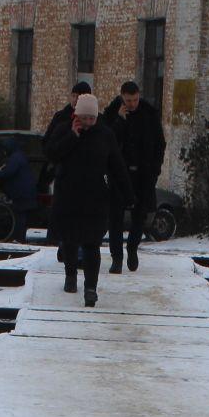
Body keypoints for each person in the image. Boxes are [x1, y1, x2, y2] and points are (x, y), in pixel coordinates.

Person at [47, 93, 132, 306]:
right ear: (77, 115)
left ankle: (91, 288)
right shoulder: (64, 129)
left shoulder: (105, 135)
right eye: (84, 118)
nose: (88, 122)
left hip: (95, 198)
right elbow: (51, 154)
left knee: (92, 244)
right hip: (68, 197)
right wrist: (72, 136)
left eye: (91, 118)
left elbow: (117, 165)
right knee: (70, 241)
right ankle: (70, 276)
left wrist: (128, 194)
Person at [106, 80, 166, 273]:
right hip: (119, 173)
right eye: (128, 100)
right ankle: (116, 257)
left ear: (139, 96)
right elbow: (107, 141)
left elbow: (160, 144)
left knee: (139, 216)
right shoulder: (113, 113)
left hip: (143, 174)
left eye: (135, 100)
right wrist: (119, 120)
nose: (132, 104)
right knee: (115, 217)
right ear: (122, 97)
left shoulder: (149, 114)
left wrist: (155, 170)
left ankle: (132, 248)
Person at [44, 81, 91, 283]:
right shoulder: (61, 118)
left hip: (86, 180)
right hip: (64, 177)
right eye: (74, 96)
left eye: (81, 97)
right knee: (65, 218)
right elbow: (48, 146)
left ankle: (75, 253)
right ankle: (66, 248)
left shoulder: (94, 121)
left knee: (80, 221)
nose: (76, 101)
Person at [0, 140, 40, 240]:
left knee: (19, 215)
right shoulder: (19, 156)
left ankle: (19, 238)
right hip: (26, 191)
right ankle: (19, 237)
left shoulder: (15, 158)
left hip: (22, 192)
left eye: (5, 149)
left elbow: (8, 172)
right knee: (20, 215)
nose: (4, 152)